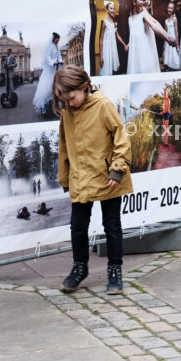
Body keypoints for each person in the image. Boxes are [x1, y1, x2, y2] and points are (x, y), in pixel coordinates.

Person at [53, 65, 133, 294]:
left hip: (109, 178)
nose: (69, 103)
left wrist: (117, 169)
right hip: (80, 178)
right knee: (77, 227)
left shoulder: (103, 105)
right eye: (64, 100)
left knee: (112, 226)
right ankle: (80, 267)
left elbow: (121, 138)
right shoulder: (67, 113)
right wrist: (65, 178)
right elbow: (64, 147)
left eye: (72, 97)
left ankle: (115, 270)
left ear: (84, 87)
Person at [125, 0, 177, 75]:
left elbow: (154, 25)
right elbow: (133, 34)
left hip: (144, 49)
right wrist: (129, 43)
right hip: (135, 51)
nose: (144, 2)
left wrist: (167, 37)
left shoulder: (143, 13)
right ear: (134, 2)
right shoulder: (130, 18)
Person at [33, 32, 63, 114]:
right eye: (57, 39)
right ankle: (45, 101)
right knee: (48, 84)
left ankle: (57, 101)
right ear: (54, 39)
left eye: (59, 40)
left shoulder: (58, 47)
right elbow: (47, 57)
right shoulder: (50, 47)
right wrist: (53, 62)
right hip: (50, 68)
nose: (58, 41)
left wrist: (60, 61)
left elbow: (59, 56)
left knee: (57, 82)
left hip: (56, 67)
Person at [98, 1, 126, 76]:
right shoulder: (104, 22)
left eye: (113, 9)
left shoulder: (114, 23)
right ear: (107, 10)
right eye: (111, 8)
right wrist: (101, 56)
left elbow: (118, 36)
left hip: (113, 49)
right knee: (105, 70)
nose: (113, 10)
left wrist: (124, 45)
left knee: (113, 70)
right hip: (106, 50)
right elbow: (101, 40)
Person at [162, 0, 181, 70]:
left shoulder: (174, 19)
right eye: (168, 8)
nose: (169, 9)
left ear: (173, 10)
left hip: (173, 39)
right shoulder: (166, 21)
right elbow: (165, 32)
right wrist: (164, 43)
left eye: (171, 8)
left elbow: (176, 32)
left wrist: (177, 43)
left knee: (174, 54)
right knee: (168, 53)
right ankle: (169, 66)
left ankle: (175, 67)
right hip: (168, 40)